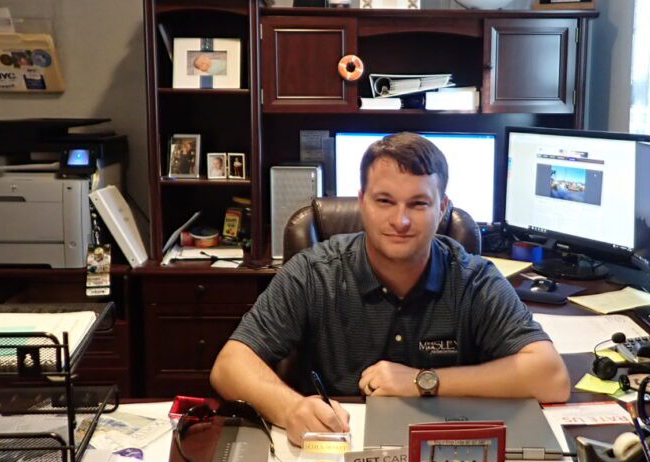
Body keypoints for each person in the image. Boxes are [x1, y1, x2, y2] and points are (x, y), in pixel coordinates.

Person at [211, 133, 571, 446]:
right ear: (362, 201)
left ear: (442, 207)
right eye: (384, 201)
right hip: (333, 447)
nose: (400, 221)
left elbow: (551, 378)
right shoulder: (315, 272)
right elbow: (229, 366)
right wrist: (291, 409)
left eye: (418, 204)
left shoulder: (473, 278)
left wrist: (423, 381)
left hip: (443, 451)